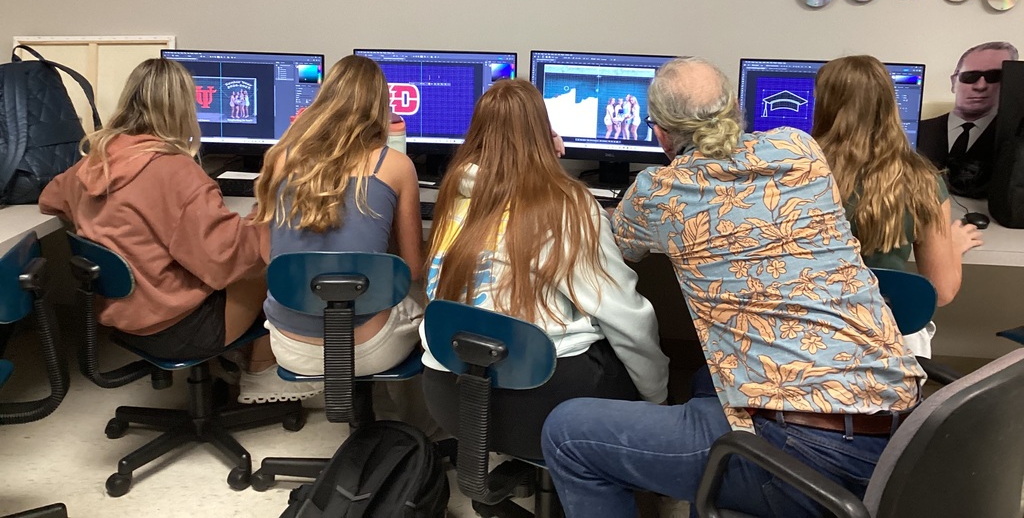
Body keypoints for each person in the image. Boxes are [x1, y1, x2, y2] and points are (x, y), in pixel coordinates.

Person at [542, 57, 924, 518]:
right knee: (705, 376)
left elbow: (616, 247)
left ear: (660, 132)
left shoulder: (657, 191)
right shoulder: (800, 148)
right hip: (902, 434)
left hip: (797, 456)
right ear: (736, 110)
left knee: (567, 432)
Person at [420, 79, 669, 460]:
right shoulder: (569, 204)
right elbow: (624, 316)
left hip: (451, 396)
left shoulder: (454, 191)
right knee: (617, 341)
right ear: (543, 134)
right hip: (547, 406)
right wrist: (657, 398)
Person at [38, 58, 275, 383]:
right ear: (182, 108)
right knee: (271, 268)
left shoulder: (94, 161)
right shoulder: (176, 172)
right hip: (177, 327)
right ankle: (260, 373)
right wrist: (265, 218)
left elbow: (50, 198)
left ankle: (231, 358)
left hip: (122, 316)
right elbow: (224, 261)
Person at [250, 55, 425, 407]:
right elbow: (413, 270)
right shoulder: (396, 165)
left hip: (290, 346)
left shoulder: (281, 157)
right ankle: (409, 431)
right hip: (369, 349)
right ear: (381, 107)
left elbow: (269, 256)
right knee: (423, 302)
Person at [812, 55, 984, 355]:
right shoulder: (921, 181)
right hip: (883, 345)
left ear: (822, 104)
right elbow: (941, 292)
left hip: (804, 337)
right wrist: (953, 247)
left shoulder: (795, 170)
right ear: (891, 105)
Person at [917, 41, 1019, 198]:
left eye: (994, 76)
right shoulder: (917, 130)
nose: (980, 86)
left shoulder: (1014, 141)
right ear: (954, 82)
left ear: (1010, 82)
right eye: (970, 76)